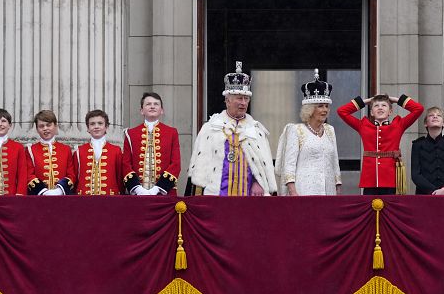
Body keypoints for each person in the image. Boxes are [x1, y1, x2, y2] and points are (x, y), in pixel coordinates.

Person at [187, 62, 277, 196]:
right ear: (227, 100)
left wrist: (258, 182)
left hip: (248, 195)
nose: (243, 103)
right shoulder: (210, 128)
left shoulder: (256, 130)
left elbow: (263, 165)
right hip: (217, 194)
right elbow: (200, 166)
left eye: (246, 98)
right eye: (239, 98)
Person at [337, 91, 424, 195]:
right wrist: (366, 101)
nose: (380, 108)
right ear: (372, 112)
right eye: (376, 106)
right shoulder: (363, 125)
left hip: (390, 179)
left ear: (390, 111)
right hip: (370, 179)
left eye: (384, 105)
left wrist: (396, 100)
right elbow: (342, 111)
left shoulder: (398, 125)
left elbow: (418, 109)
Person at [274, 69, 342, 196]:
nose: (325, 110)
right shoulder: (296, 130)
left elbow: (335, 162)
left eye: (327, 106)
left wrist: (337, 187)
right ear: (309, 109)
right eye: (320, 106)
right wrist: (293, 192)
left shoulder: (330, 130)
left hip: (328, 191)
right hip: (303, 191)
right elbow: (289, 166)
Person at [122, 92, 181, 196]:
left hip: (164, 194)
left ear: (162, 110)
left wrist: (159, 188)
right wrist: (137, 188)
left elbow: (176, 164)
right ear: (141, 111)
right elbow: (126, 164)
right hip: (138, 195)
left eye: (156, 104)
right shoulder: (130, 134)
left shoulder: (172, 132)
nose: (152, 106)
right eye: (148, 104)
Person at [74, 109, 125, 195]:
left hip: (110, 198)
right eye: (92, 124)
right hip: (83, 199)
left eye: (100, 123)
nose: (96, 126)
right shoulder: (79, 151)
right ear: (88, 128)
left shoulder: (116, 150)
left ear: (106, 127)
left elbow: (120, 178)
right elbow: (76, 178)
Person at [27, 110, 77, 196]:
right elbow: (29, 174)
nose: (45, 128)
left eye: (48, 125)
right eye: (41, 126)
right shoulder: (31, 150)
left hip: (62, 198)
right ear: (37, 129)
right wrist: (43, 191)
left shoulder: (66, 149)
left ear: (56, 126)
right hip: (38, 198)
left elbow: (71, 174)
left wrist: (60, 190)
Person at [410, 106, 444, 195]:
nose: (435, 116)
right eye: (431, 115)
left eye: (439, 115)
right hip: (424, 194)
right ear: (425, 124)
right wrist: (432, 190)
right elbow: (415, 174)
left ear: (443, 124)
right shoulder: (418, 145)